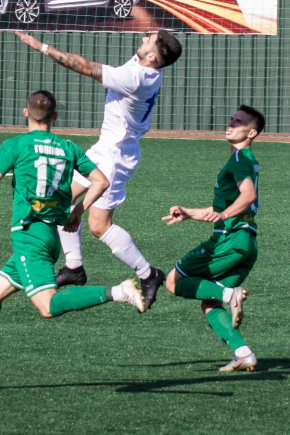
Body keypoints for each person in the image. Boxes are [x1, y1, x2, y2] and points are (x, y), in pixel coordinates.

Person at [0, 90, 146, 386]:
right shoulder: (68, 147)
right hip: (50, 237)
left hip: (30, 236)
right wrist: (78, 211)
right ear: (55, 116)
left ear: (25, 113)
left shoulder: (15, 145)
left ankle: (119, 292)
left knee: (47, 306)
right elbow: (101, 181)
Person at [14, 29, 183, 310]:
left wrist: (41, 47)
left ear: (153, 57)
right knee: (60, 200)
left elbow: (84, 66)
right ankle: (74, 267)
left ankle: (149, 274)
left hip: (116, 157)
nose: (143, 39)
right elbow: (147, 50)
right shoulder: (145, 64)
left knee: (98, 225)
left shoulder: (136, 77)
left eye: (149, 39)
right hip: (105, 148)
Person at [161, 105, 265, 373]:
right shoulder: (244, 159)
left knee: (173, 282)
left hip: (229, 239)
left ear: (251, 133)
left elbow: (248, 196)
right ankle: (243, 354)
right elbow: (221, 208)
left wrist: (225, 215)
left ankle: (230, 295)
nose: (231, 124)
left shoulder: (240, 159)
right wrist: (189, 213)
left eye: (239, 122)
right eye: (232, 119)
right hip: (246, 242)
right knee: (209, 302)